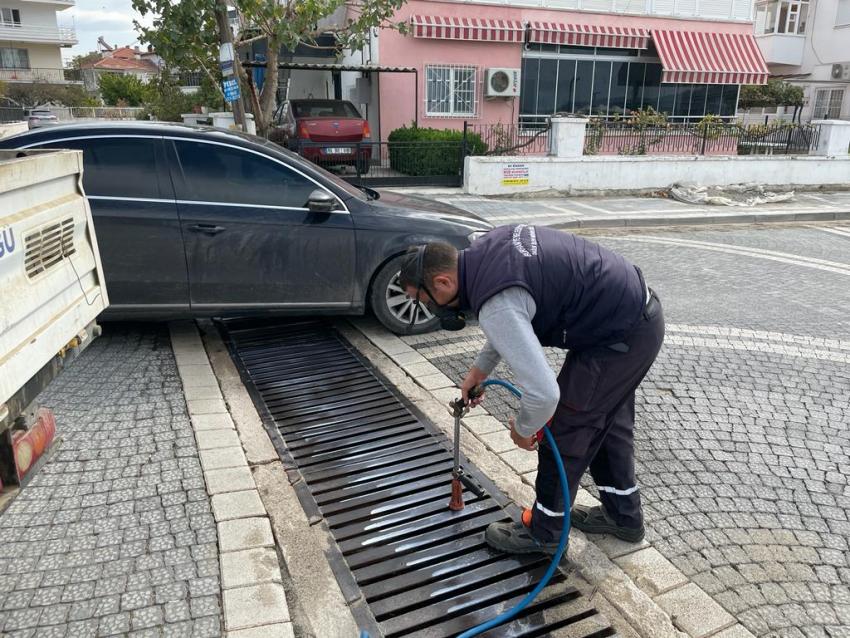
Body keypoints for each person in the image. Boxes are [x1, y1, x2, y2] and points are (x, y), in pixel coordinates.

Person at [399, 224, 664, 556]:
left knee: (565, 430)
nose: (428, 308)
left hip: (619, 336)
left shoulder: (495, 303)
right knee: (607, 425)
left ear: (442, 282)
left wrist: (526, 430)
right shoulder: (484, 252)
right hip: (628, 318)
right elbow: (512, 318)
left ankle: (545, 532)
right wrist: (477, 372)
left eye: (422, 300)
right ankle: (623, 516)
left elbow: (544, 394)